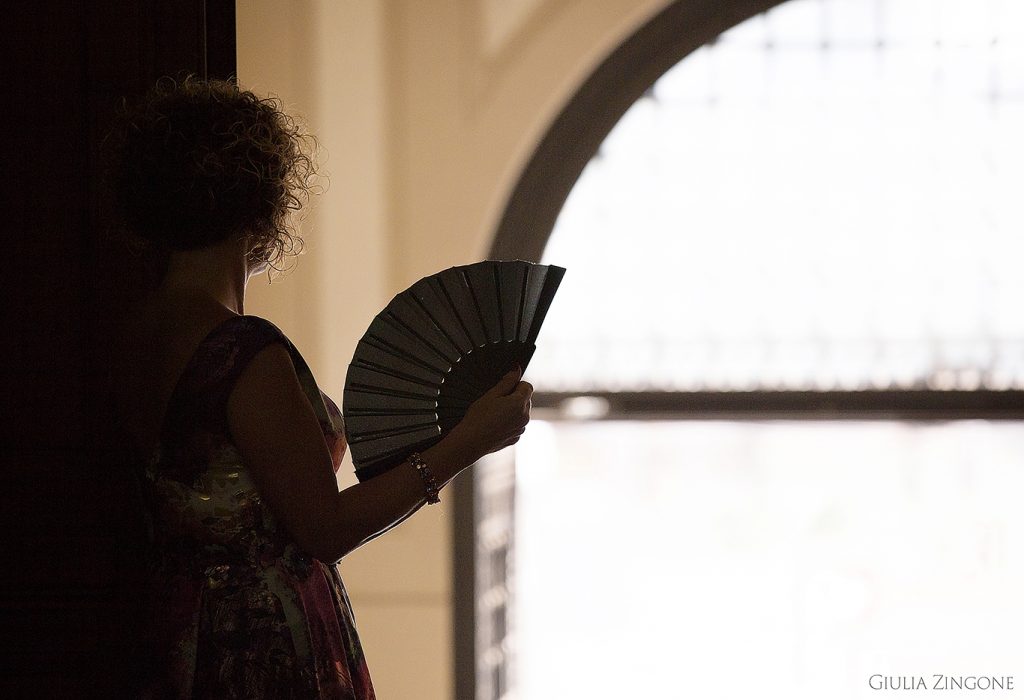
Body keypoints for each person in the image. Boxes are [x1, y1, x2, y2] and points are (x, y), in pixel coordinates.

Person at [109, 77, 533, 699]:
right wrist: (464, 444)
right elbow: (323, 529)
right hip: (260, 643)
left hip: (175, 631)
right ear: (262, 203)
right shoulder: (242, 353)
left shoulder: (129, 336)